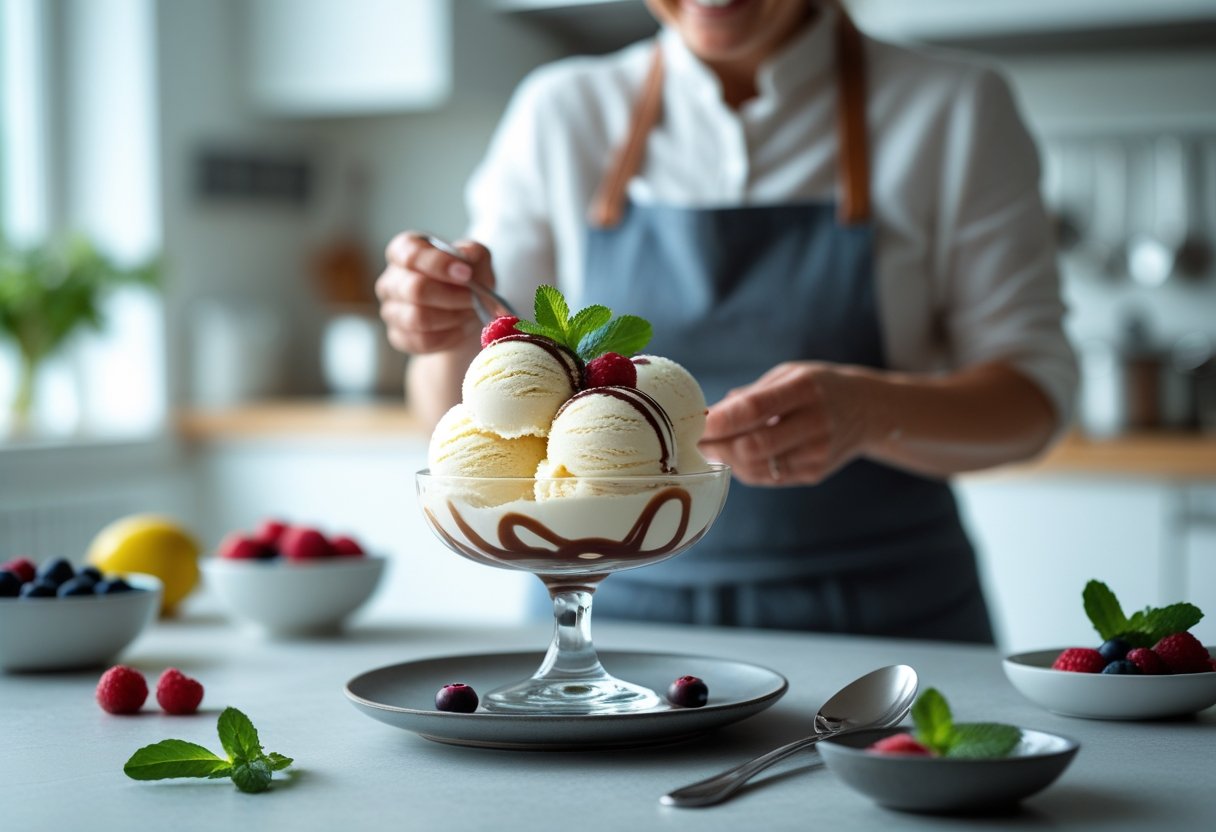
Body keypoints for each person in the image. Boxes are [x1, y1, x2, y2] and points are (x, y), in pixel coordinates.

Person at [376, 0, 1077, 643]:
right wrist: (441, 335)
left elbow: (1033, 400)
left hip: (884, 621)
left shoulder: (952, 108)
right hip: (607, 617)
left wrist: (870, 410)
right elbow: (455, 414)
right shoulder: (562, 112)